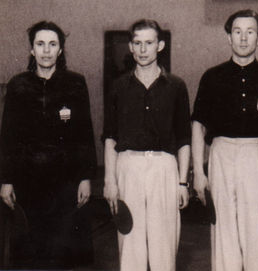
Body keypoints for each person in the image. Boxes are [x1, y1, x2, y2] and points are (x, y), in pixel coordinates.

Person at [192, 9, 258, 271]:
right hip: (221, 155)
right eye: (237, 32)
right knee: (223, 230)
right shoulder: (212, 76)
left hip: (257, 156)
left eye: (250, 32)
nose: (244, 38)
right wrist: (199, 174)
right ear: (228, 37)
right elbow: (197, 125)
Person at [0, 21, 97, 269]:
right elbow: (8, 135)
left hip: (65, 183)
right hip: (27, 182)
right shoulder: (18, 85)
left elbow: (84, 133)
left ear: (60, 50)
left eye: (52, 44)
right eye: (40, 44)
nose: (46, 50)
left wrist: (85, 177)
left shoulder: (75, 83)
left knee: (62, 252)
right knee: (30, 252)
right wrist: (6, 180)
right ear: (32, 49)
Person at [102, 19, 191, 271]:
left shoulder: (176, 86)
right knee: (129, 243)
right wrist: (110, 180)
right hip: (128, 166)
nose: (143, 50)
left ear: (159, 45)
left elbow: (184, 138)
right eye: (138, 43)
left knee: (164, 245)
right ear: (130, 47)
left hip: (164, 168)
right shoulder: (118, 87)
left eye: (149, 43)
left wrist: (183, 183)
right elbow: (110, 136)